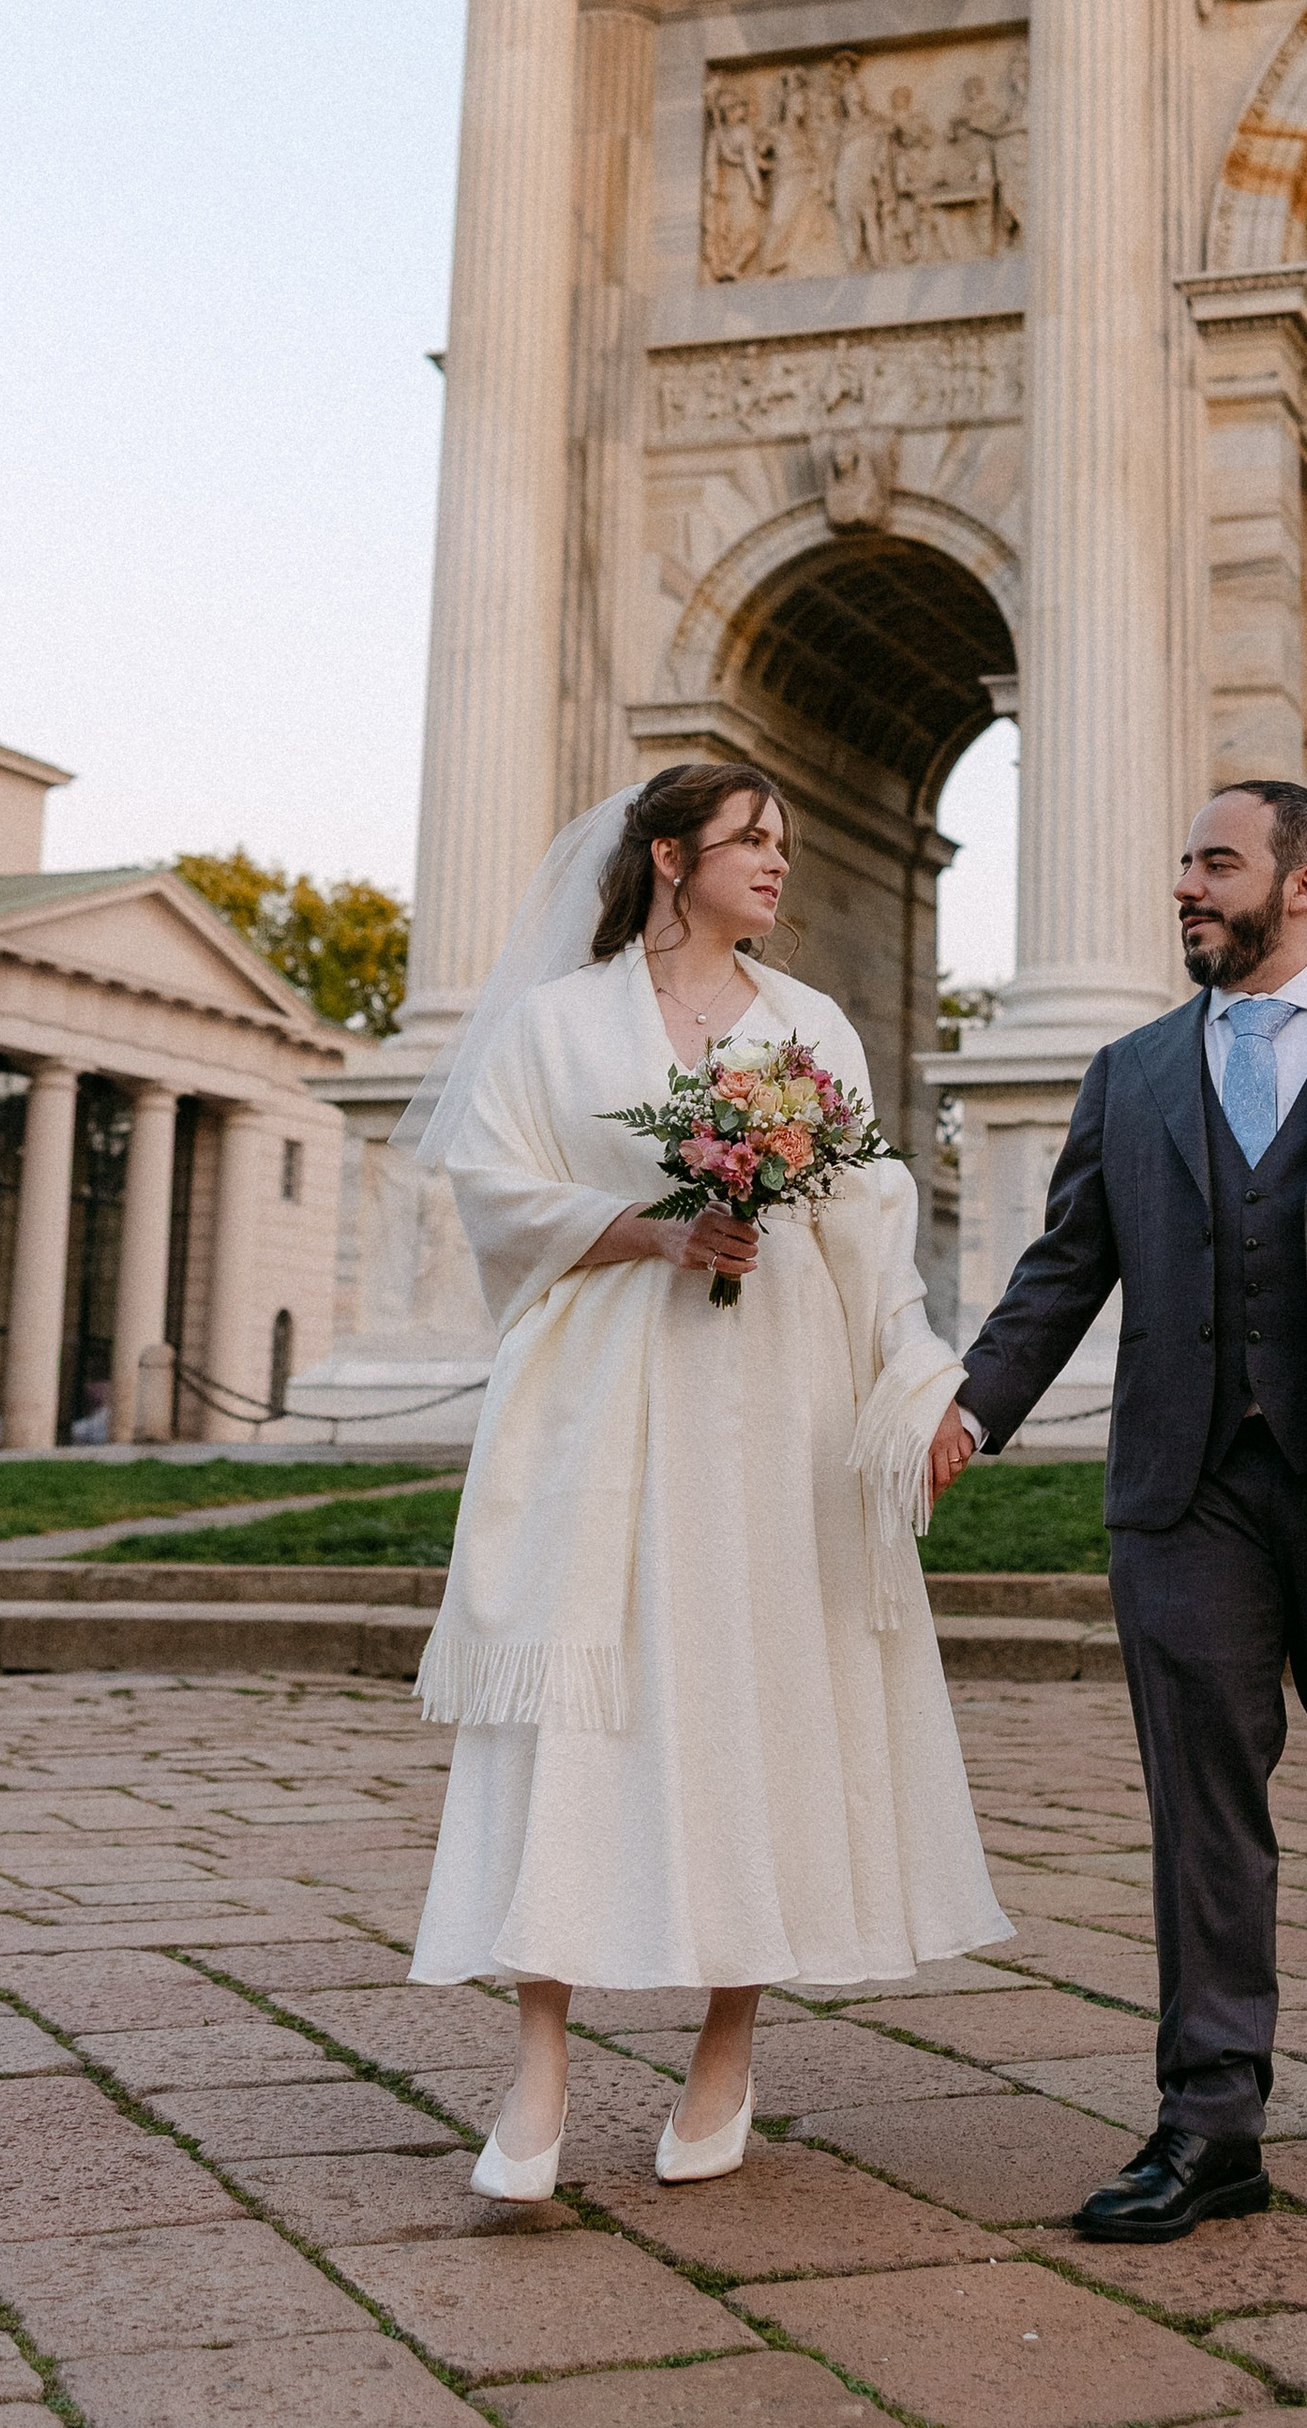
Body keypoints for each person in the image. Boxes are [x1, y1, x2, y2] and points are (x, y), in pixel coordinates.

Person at [932, 782, 1307, 2244]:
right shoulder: (1130, 1071)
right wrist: (968, 1412)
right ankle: (1210, 2117)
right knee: (1200, 1796)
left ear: (1304, 882)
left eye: (1215, 862)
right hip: (1186, 1484)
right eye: (1186, 862)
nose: (1185, 888)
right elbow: (1062, 1271)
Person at [407, 763, 1006, 2200]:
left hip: (778, 1417)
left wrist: (926, 1389)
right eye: (750, 840)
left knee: (759, 1707)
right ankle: (537, 2071)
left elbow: (871, 1234)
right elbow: (491, 1189)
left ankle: (727, 2053)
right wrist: (643, 1227)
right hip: (607, 1404)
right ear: (671, 857)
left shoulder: (815, 1030)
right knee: (574, 1718)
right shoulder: (558, 1026)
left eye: (789, 843)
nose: (777, 863)